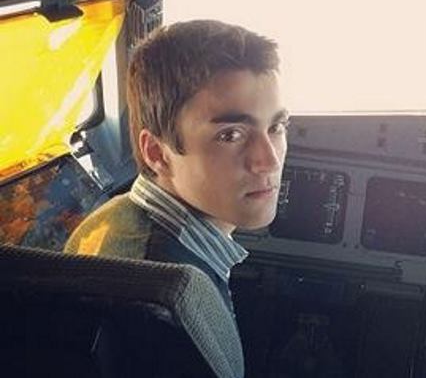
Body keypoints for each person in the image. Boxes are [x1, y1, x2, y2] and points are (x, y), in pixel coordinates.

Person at [64, 19, 289, 314]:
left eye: (276, 126)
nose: (269, 161)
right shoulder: (165, 295)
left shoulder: (120, 213)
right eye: (231, 135)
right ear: (157, 153)